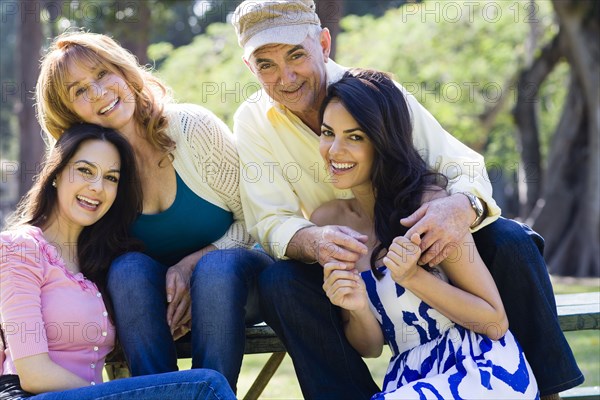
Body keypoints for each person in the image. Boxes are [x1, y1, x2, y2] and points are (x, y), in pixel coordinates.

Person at [230, 1, 582, 399]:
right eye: (267, 64)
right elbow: (270, 220)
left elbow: (459, 164)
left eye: (296, 55)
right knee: (280, 282)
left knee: (509, 239)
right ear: (250, 68)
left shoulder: (376, 93)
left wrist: (458, 208)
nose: (286, 76)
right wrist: (318, 243)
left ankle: (545, 390)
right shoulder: (252, 121)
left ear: (323, 43)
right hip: (343, 254)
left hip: (419, 232)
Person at [34, 31, 272, 392]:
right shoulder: (95, 177)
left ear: (124, 71)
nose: (97, 92)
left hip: (242, 287)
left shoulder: (191, 129)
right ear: (69, 113)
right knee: (127, 269)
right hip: (163, 308)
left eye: (101, 74)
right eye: (79, 91)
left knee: (215, 270)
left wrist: (190, 266)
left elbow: (255, 220)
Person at [312, 68, 539, 398]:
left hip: (479, 369)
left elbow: (494, 321)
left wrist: (413, 277)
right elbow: (372, 346)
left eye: (355, 137)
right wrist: (356, 306)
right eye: (327, 132)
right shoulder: (327, 221)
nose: (334, 150)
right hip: (407, 377)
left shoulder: (428, 205)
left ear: (383, 141)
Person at [0, 123, 236, 400]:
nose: (97, 187)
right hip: (34, 396)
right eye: (85, 171)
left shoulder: (98, 263)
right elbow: (33, 373)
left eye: (111, 178)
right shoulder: (20, 248)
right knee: (206, 386)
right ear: (56, 173)